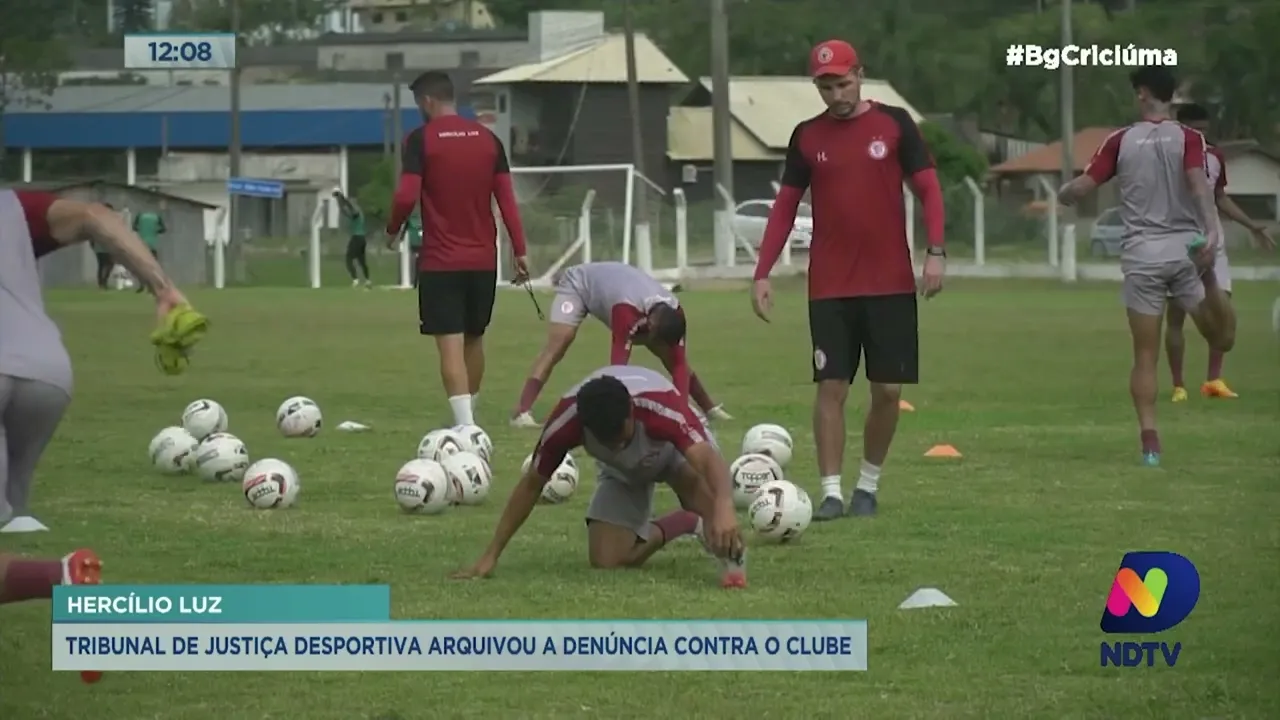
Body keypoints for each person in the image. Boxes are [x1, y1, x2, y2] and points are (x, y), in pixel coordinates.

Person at [750, 40, 946, 521]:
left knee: (888, 392)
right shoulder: (806, 136)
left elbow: (928, 188)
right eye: (826, 87)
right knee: (831, 386)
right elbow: (785, 207)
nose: (836, 95)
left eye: (842, 83)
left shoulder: (894, 124)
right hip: (830, 285)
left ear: (859, 74)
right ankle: (832, 494)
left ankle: (867, 487)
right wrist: (762, 271)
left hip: (890, 283)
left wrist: (936, 251)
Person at [1058, 66, 1237, 467]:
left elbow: (1083, 187)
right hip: (1185, 251)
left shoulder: (1120, 140)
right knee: (1222, 339)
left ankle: (1150, 443)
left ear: (1142, 94)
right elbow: (1198, 184)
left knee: (1144, 355)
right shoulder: (1190, 138)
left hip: (1142, 256)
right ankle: (1209, 277)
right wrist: (1211, 233)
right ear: (1170, 95)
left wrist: (1064, 193)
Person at [453, 366, 747, 588]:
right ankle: (685, 522)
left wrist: (723, 506)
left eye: (621, 437)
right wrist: (491, 555)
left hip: (674, 454)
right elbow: (531, 485)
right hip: (621, 472)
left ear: (631, 413)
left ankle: (733, 563)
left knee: (707, 495)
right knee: (608, 559)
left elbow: (706, 459)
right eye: (607, 442)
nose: (618, 446)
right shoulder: (566, 423)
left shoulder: (660, 408)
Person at [1, 189, 194, 523]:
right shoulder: (12, 205)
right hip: (46, 373)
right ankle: (18, 519)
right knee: (13, 504)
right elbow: (96, 216)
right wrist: (163, 288)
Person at [385, 70, 530, 427]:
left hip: (442, 260)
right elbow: (507, 200)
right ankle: (470, 421)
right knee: (474, 339)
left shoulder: (420, 140)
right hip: (483, 261)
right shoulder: (489, 140)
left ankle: (465, 426)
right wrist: (520, 250)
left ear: (427, 101)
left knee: (449, 343)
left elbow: (406, 194)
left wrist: (393, 229)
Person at [509, 261, 732, 427]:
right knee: (559, 342)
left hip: (624, 291)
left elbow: (680, 364)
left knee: (672, 357)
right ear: (651, 326)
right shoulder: (626, 312)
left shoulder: (676, 312)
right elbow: (618, 369)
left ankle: (709, 408)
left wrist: (680, 412)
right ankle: (521, 413)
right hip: (579, 284)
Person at [1164, 103, 1275, 401]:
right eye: (1194, 129)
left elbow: (1220, 198)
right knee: (1176, 315)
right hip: (1178, 241)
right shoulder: (1168, 157)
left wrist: (1252, 225)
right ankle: (1178, 385)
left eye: (1204, 129)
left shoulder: (1214, 156)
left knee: (1221, 309)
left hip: (1214, 241)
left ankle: (1213, 380)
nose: (1200, 135)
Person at [334, 191, 371, 288]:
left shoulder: (357, 213)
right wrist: (338, 200)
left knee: (348, 259)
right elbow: (343, 210)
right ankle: (367, 280)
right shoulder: (356, 214)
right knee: (361, 261)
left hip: (356, 238)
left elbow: (349, 207)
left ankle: (356, 280)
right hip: (362, 238)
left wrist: (341, 197)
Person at [131, 202, 167, 293]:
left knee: (141, 266)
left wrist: (142, 230)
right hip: (152, 244)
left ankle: (142, 285)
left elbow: (134, 228)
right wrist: (155, 230)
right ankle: (153, 286)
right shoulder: (157, 216)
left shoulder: (140, 216)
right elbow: (163, 229)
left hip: (141, 244)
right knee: (153, 266)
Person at [93, 204, 117, 289]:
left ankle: (101, 283)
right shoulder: (110, 220)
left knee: (102, 264)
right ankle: (103, 282)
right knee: (109, 264)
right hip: (106, 246)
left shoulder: (96, 220)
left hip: (98, 246)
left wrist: (93, 245)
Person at [407, 212, 424, 288]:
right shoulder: (418, 222)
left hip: (417, 245)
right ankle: (415, 282)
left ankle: (415, 282)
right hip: (419, 245)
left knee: (417, 265)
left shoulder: (412, 222)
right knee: (418, 265)